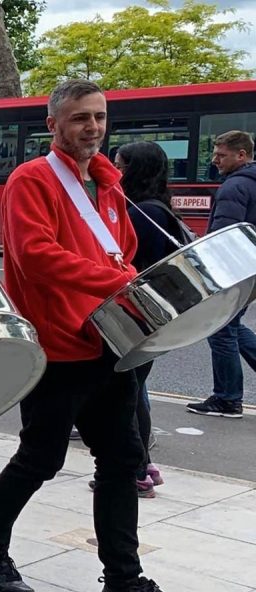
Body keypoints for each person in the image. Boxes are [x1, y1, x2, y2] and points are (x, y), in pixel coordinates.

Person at [0, 79, 198, 592]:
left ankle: (124, 582)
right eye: (78, 118)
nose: (91, 127)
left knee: (121, 461)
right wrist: (116, 278)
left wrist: (127, 283)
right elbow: (36, 255)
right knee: (40, 458)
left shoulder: (107, 186)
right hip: (59, 346)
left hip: (110, 343)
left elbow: (126, 250)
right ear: (54, 125)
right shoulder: (32, 179)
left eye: (99, 117)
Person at [108, 141, 187, 497]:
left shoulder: (143, 213)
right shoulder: (159, 207)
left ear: (134, 170)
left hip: (138, 314)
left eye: (120, 165)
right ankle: (143, 464)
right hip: (152, 316)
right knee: (134, 390)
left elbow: (128, 264)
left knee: (125, 394)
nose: (114, 171)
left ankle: (136, 470)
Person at [186, 130, 256, 418]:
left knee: (221, 330)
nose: (214, 160)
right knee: (234, 328)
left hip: (234, 270)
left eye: (221, 155)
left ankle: (228, 399)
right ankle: (228, 397)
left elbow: (223, 237)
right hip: (251, 270)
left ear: (241, 155)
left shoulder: (234, 187)